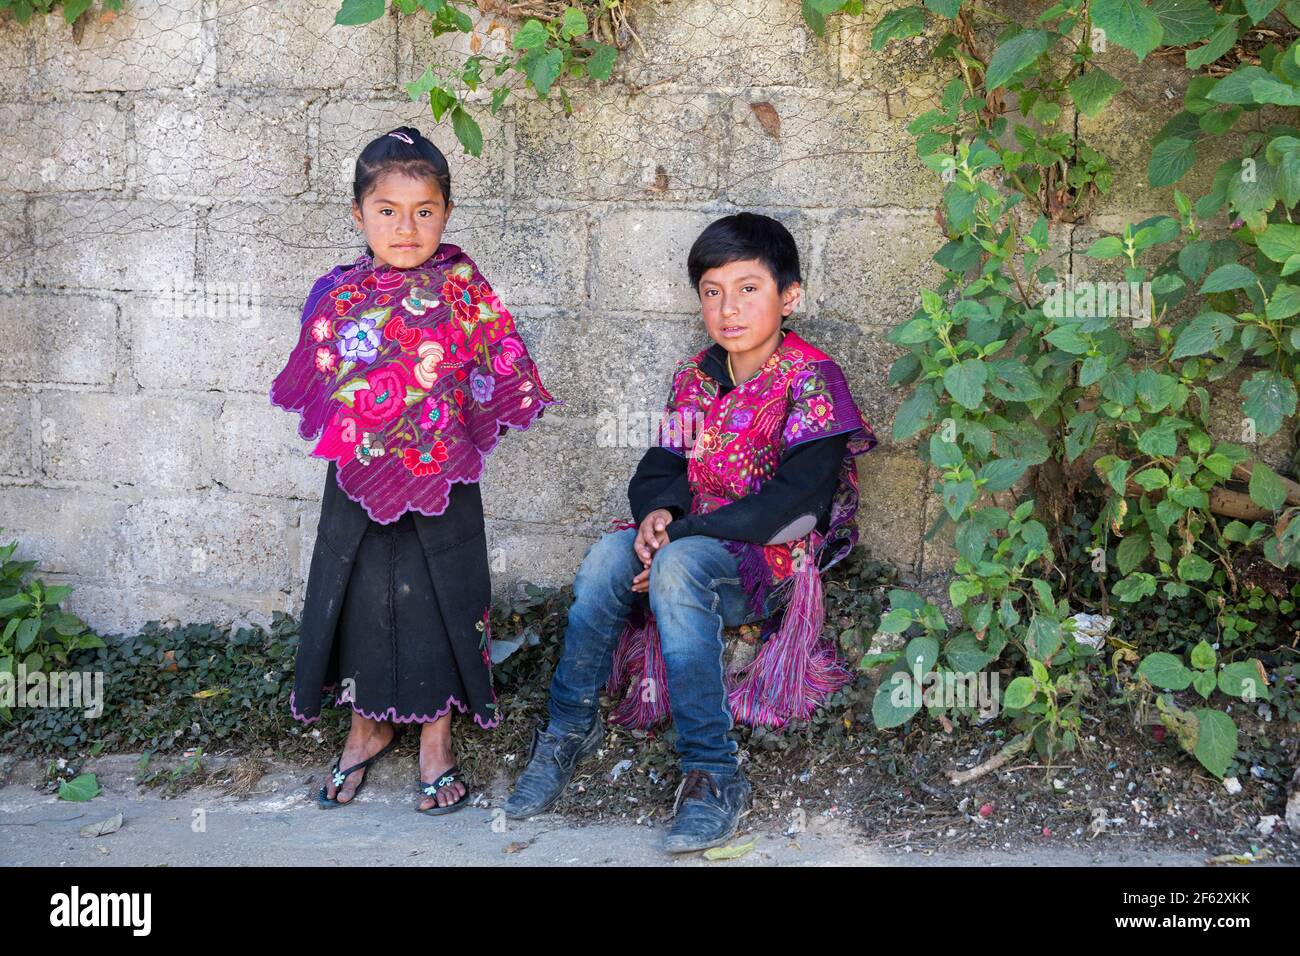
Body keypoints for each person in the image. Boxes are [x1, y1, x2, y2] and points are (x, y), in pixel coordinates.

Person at [505, 212, 877, 852]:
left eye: (748, 288)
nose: (728, 308)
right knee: (604, 559)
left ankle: (713, 771)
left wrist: (682, 538)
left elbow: (795, 507)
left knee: (676, 567)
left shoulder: (813, 379)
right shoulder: (698, 377)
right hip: (691, 543)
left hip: (768, 563)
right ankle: (568, 728)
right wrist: (659, 516)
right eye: (712, 291)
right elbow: (662, 466)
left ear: (789, 296)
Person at [270, 127, 556, 814]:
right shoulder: (338, 296)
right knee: (362, 592)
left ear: (446, 213)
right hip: (357, 474)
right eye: (387, 211)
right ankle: (365, 728)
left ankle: (436, 735)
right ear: (358, 214)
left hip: (444, 475)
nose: (406, 226)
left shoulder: (464, 287)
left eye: (424, 210)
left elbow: (501, 366)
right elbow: (321, 378)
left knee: (441, 594)